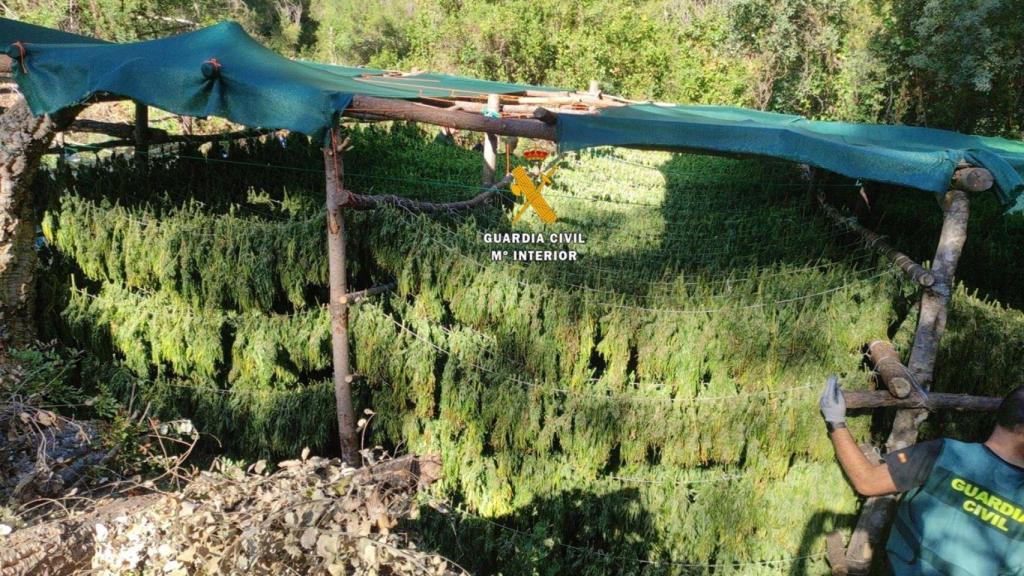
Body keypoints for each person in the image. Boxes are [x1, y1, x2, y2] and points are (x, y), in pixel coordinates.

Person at [820, 376, 1024, 575]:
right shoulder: (943, 453)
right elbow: (867, 483)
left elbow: (867, 481)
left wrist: (836, 422)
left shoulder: (943, 453)